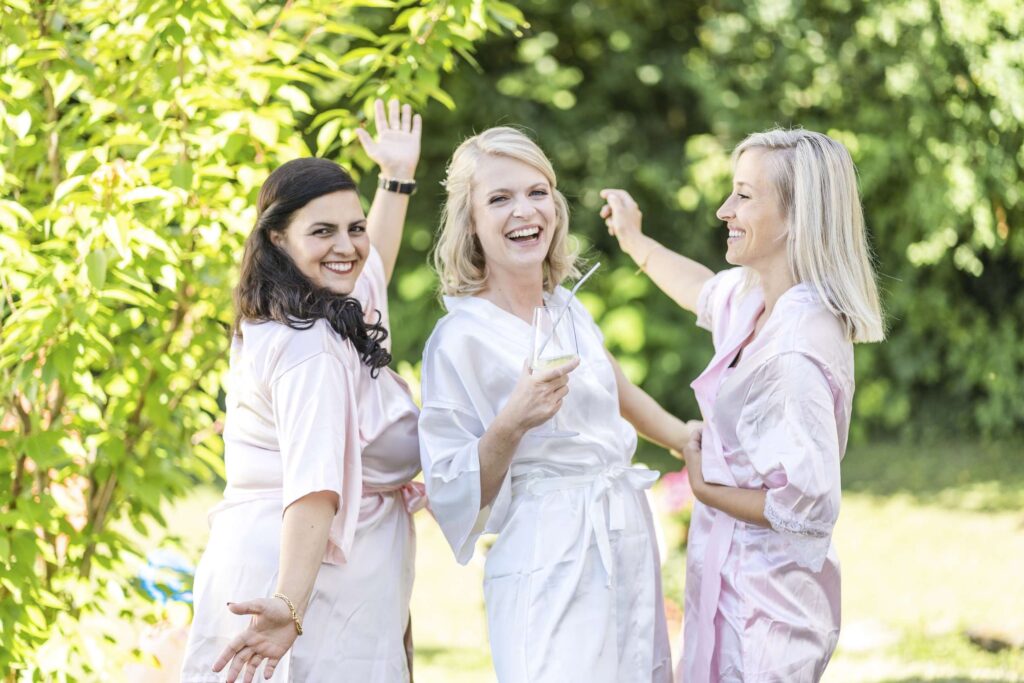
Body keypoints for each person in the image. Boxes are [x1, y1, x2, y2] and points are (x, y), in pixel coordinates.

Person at [600, 128, 885, 682]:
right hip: (730, 586)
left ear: (797, 216)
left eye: (744, 196)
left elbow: (808, 505)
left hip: (770, 612)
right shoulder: (758, 298)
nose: (723, 209)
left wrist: (709, 491)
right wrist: (634, 240)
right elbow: (702, 289)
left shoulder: (797, 349)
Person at [418, 126, 699, 682]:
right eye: (499, 198)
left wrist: (683, 437)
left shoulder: (566, 307)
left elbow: (615, 388)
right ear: (470, 222)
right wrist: (512, 421)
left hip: (625, 533)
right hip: (548, 551)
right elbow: (447, 484)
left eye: (537, 191)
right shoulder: (458, 339)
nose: (524, 210)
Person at [180, 99, 425, 683]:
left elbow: (374, 265)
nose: (347, 246)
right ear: (278, 238)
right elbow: (315, 487)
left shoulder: (312, 307)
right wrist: (290, 608)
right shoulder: (309, 346)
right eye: (323, 231)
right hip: (296, 576)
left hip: (318, 574)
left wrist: (395, 180)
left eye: (354, 227)